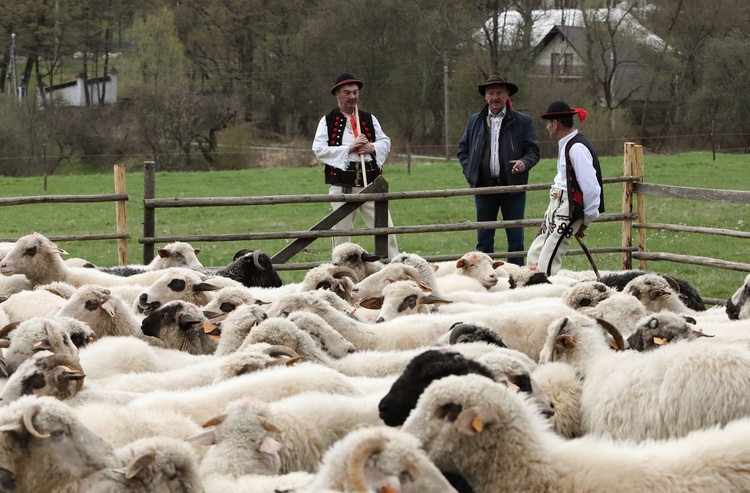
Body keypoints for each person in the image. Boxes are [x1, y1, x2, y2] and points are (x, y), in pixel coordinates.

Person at [312, 72, 399, 258]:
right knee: (341, 239)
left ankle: (393, 273)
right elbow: (318, 148)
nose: (352, 96)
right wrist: (350, 148)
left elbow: (385, 142)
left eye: (355, 92)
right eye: (347, 92)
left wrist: (370, 147)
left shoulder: (369, 118)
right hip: (343, 186)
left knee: (386, 232)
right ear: (337, 94)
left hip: (370, 185)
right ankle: (342, 276)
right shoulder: (327, 121)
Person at [457, 75, 540, 266]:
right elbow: (463, 150)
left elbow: (533, 151)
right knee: (484, 240)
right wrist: (470, 171)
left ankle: (516, 280)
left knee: (516, 239)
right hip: (484, 188)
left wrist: (523, 163)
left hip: (513, 188)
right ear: (485, 96)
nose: (495, 97)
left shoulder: (522, 121)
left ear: (507, 95)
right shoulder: (475, 121)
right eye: (491, 93)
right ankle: (485, 281)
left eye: (499, 93)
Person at [527, 100, 605, 276]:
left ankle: (546, 295)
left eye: (548, 123)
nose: (547, 127)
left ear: (555, 124)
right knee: (535, 255)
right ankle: (532, 292)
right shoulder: (567, 145)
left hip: (569, 208)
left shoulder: (576, 147)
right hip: (556, 204)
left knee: (548, 260)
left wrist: (586, 219)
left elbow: (591, 187)